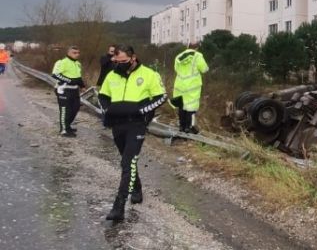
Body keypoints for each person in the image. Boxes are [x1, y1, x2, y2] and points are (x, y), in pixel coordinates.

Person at [99, 45, 167, 222]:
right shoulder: (112, 75)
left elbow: (161, 97)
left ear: (133, 58)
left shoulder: (149, 74)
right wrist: (108, 110)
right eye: (117, 61)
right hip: (117, 125)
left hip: (136, 125)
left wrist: (142, 110)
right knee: (126, 160)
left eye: (124, 61)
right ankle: (136, 187)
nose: (120, 64)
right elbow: (103, 96)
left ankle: (119, 206)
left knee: (128, 162)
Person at [172, 43, 209, 133]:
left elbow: (176, 69)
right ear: (196, 48)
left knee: (182, 106)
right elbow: (204, 69)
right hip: (192, 86)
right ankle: (189, 128)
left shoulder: (178, 57)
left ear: (187, 47)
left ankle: (181, 127)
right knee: (191, 107)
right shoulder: (197, 56)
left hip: (180, 85)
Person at [51, 46, 86, 137]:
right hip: (64, 89)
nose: (77, 54)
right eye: (74, 53)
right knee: (65, 110)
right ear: (68, 53)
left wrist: (82, 86)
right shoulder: (62, 62)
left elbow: (78, 77)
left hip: (74, 90)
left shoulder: (78, 63)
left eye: (78, 53)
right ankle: (63, 130)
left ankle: (67, 125)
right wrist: (69, 80)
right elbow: (55, 74)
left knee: (75, 108)